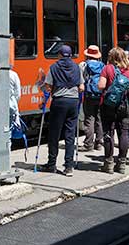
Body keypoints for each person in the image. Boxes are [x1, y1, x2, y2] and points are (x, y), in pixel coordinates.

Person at [39, 45, 84, 177]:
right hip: (73, 102)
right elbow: (81, 87)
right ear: (70, 55)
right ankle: (69, 166)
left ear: (59, 55)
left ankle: (51, 164)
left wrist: (49, 92)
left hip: (59, 102)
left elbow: (48, 86)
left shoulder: (54, 67)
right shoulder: (76, 67)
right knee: (70, 134)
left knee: (54, 134)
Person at [98, 47, 129, 174]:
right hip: (124, 106)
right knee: (123, 134)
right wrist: (127, 98)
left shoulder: (107, 68)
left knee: (108, 133)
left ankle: (108, 164)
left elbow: (101, 86)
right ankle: (122, 164)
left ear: (111, 57)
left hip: (108, 106)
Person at [79, 45, 104, 152]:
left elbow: (80, 80)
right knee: (99, 119)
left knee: (89, 119)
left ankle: (88, 144)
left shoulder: (83, 65)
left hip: (88, 95)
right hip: (100, 95)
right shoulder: (103, 66)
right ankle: (99, 143)